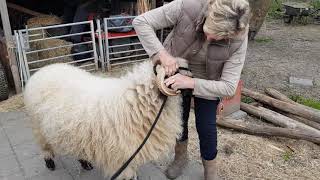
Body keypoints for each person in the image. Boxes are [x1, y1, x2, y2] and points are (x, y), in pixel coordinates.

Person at [133, 0, 250, 179]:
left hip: (209, 79)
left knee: (207, 127)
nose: (210, 39)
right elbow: (141, 22)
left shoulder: (239, 35)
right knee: (178, 120)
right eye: (208, 31)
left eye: (218, 38)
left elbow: (228, 87)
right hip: (175, 67)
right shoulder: (187, 6)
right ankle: (180, 158)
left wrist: (190, 83)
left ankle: (210, 170)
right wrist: (162, 55)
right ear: (207, 14)